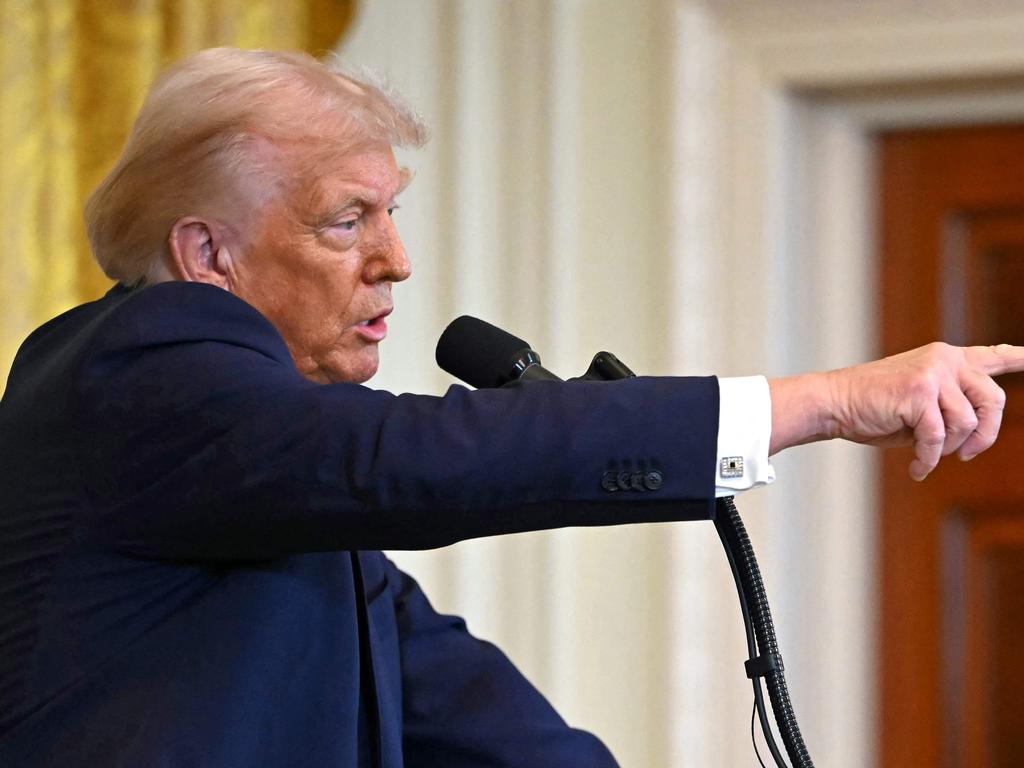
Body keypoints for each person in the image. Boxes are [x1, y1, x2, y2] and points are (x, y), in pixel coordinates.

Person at [0, 48, 1020, 768]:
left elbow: (458, 707)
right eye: (344, 220)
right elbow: (414, 457)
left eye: (391, 212)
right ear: (204, 255)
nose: (394, 260)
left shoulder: (259, 475)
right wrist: (822, 404)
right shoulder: (142, 367)